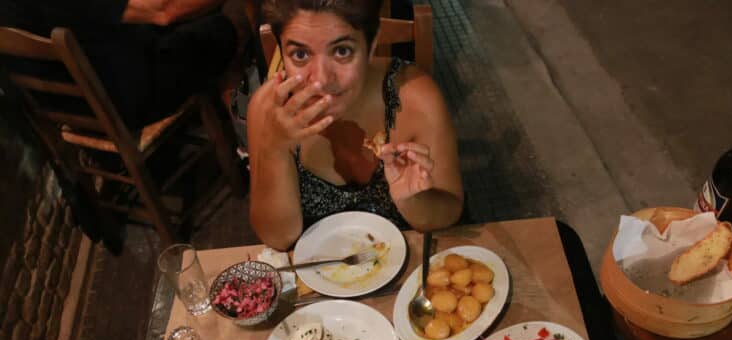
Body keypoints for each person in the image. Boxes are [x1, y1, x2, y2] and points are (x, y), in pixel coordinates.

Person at [247, 0, 464, 250]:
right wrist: (274, 150)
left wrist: (413, 202)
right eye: (300, 55)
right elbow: (278, 238)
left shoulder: (415, 98)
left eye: (342, 51)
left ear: (371, 45)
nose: (321, 80)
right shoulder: (267, 110)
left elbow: (448, 216)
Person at [0, 0, 252, 129]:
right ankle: (250, 134)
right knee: (230, 19)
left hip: (75, 110)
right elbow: (165, 11)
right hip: (123, 101)